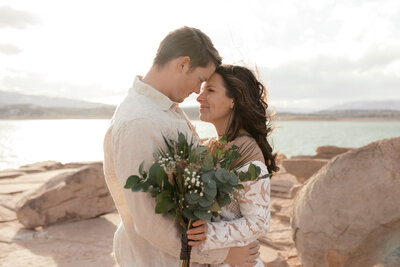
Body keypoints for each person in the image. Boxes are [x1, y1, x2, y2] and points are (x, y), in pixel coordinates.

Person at [103, 27, 260, 267]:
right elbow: (149, 222)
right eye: (200, 80)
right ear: (183, 64)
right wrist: (224, 255)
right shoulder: (139, 122)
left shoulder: (162, 109)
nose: (198, 91)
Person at [187, 64, 279, 266]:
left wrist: (207, 233)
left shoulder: (247, 155)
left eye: (210, 90)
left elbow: (259, 223)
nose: (199, 98)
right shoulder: (213, 146)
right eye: (201, 90)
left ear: (233, 100)